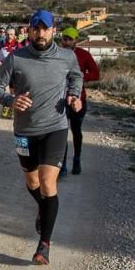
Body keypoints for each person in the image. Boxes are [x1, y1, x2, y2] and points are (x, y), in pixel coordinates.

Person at [0, 9, 83, 266]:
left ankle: (44, 245)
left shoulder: (66, 57)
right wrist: (11, 100)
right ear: (29, 31)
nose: (40, 33)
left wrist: (73, 95)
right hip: (24, 130)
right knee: (32, 183)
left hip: (55, 127)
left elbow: (76, 75)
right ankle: (44, 209)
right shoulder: (16, 58)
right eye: (35, 28)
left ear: (54, 30)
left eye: (45, 28)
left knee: (47, 182)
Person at [58, 27, 100, 176]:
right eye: (64, 38)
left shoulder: (83, 55)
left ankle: (77, 159)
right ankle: (61, 165)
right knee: (61, 132)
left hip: (78, 99)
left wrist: (80, 77)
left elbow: (95, 73)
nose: (67, 41)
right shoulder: (57, 54)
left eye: (70, 39)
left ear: (76, 40)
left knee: (76, 131)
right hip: (61, 99)